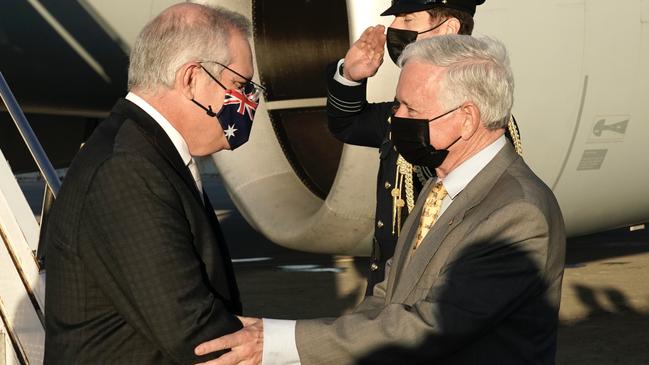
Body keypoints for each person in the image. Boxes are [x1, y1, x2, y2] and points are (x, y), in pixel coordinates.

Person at [193, 35, 565, 365]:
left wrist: (279, 343)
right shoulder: (442, 184)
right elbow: (388, 299)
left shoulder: (518, 211)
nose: (396, 117)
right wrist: (282, 337)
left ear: (467, 118)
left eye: (410, 109)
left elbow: (432, 326)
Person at [42, 3, 265, 364]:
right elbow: (192, 331)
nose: (249, 100)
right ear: (191, 79)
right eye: (240, 85)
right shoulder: (127, 169)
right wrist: (299, 346)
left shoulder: (147, 151)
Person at [327, 0, 522, 293]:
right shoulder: (403, 113)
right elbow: (347, 124)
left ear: (449, 28)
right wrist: (351, 76)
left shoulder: (480, 117)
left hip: (441, 292)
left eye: (407, 20)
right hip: (389, 289)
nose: (393, 28)